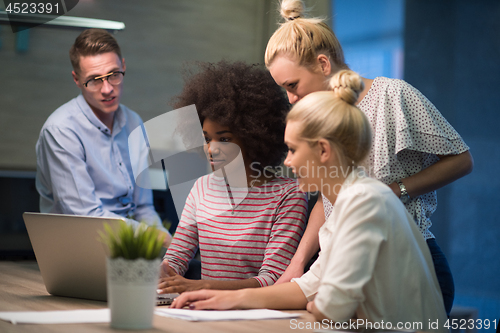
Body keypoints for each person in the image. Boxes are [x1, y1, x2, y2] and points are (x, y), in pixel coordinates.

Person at [170, 70, 449, 332]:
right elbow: (308, 287)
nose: (288, 162)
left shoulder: (364, 203)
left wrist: (322, 304)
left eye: (292, 149)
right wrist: (225, 299)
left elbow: (329, 307)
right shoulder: (346, 204)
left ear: (323, 150)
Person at [263, 0, 473, 316]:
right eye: (285, 91)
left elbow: (461, 160)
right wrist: (297, 263)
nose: (292, 99)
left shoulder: (393, 95)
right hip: (344, 264)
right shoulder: (322, 119)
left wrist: (392, 191)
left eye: (293, 86)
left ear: (323, 64)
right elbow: (328, 198)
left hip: (409, 265)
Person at [157, 61, 307, 293]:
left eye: (224, 139)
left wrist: (201, 286)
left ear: (253, 137)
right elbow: (176, 258)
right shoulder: (202, 188)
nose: (211, 149)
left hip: (257, 317)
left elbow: (272, 279)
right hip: (204, 313)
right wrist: (157, 273)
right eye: (207, 138)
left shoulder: (288, 195)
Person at [36, 29, 171, 245]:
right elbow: (86, 217)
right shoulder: (61, 131)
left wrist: (169, 249)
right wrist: (155, 237)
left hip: (131, 247)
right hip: (80, 247)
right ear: (77, 79)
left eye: (114, 75)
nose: (107, 89)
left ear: (123, 66)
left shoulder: (134, 122)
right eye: (94, 80)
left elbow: (144, 208)